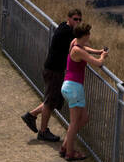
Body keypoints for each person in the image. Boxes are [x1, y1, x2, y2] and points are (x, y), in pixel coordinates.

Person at [22, 8, 82, 144]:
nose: (77, 22)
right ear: (69, 18)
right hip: (54, 70)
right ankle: (43, 132)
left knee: (54, 99)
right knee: (50, 102)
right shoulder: (67, 32)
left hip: (53, 69)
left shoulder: (64, 26)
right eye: (75, 19)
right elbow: (78, 45)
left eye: (79, 19)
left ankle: (31, 115)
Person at [59, 23, 108, 162]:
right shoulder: (78, 51)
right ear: (85, 35)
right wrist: (103, 56)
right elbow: (98, 63)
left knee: (84, 118)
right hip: (75, 87)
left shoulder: (74, 43)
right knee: (74, 123)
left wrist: (97, 50)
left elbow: (84, 48)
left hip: (69, 85)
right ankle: (69, 152)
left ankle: (65, 146)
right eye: (88, 34)